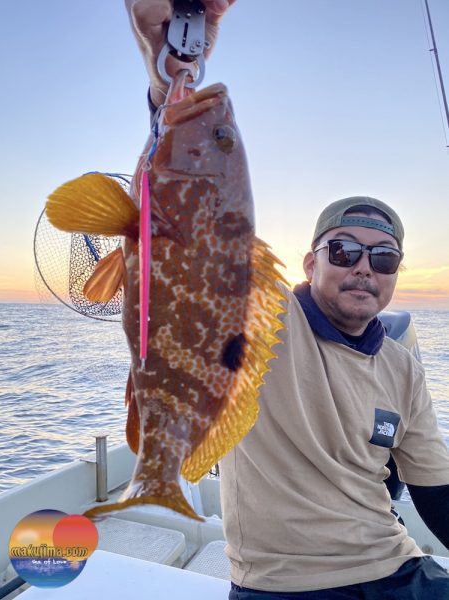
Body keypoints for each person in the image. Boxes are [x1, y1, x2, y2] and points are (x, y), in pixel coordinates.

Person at [124, 2, 449, 597]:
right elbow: (189, 235)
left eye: (383, 258)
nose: (363, 269)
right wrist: (166, 80)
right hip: (283, 587)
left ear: (396, 273)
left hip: (396, 567)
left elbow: (434, 490)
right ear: (310, 261)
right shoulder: (265, 317)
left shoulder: (403, 366)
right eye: (343, 250)